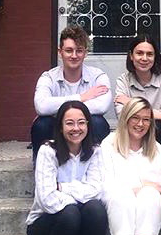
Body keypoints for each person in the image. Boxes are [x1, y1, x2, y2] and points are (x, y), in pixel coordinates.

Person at [26, 101, 108, 235]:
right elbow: (46, 199)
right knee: (70, 212)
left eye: (81, 123)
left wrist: (62, 187)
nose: (76, 128)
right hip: (45, 229)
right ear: (60, 127)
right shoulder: (47, 151)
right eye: (69, 123)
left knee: (96, 209)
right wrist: (77, 198)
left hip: (78, 232)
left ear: (88, 125)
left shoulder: (95, 151)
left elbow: (96, 190)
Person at [101, 97, 161, 235]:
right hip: (117, 221)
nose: (140, 124)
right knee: (122, 196)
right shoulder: (109, 144)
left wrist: (144, 187)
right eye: (135, 118)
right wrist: (139, 185)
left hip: (149, 223)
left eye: (146, 120)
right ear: (125, 118)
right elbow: (105, 184)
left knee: (150, 196)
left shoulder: (156, 148)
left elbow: (160, 186)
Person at [31, 25, 112, 165]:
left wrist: (60, 111)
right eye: (69, 50)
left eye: (79, 51)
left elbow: (102, 106)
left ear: (85, 53)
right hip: (57, 130)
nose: (74, 56)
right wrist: (81, 97)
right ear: (59, 52)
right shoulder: (48, 77)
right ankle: (42, 168)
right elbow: (41, 106)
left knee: (99, 123)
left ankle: (95, 167)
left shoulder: (98, 76)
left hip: (84, 130)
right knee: (42, 124)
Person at [114, 34, 161, 146]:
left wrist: (130, 103)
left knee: (157, 125)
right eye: (139, 53)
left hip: (160, 136)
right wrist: (158, 114)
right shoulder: (123, 81)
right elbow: (122, 116)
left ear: (155, 57)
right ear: (131, 56)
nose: (144, 58)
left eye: (150, 54)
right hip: (131, 135)